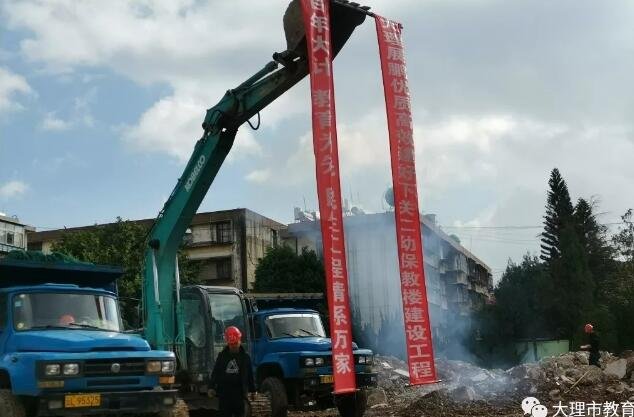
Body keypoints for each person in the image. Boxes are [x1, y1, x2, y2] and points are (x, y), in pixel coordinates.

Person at [209, 326, 256, 417]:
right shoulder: (222, 357)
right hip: (224, 394)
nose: (233, 346)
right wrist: (211, 387)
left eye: (235, 343)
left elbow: (250, 375)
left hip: (239, 394)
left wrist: (253, 390)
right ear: (227, 343)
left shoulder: (245, 358)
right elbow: (215, 373)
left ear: (240, 340)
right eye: (231, 344)